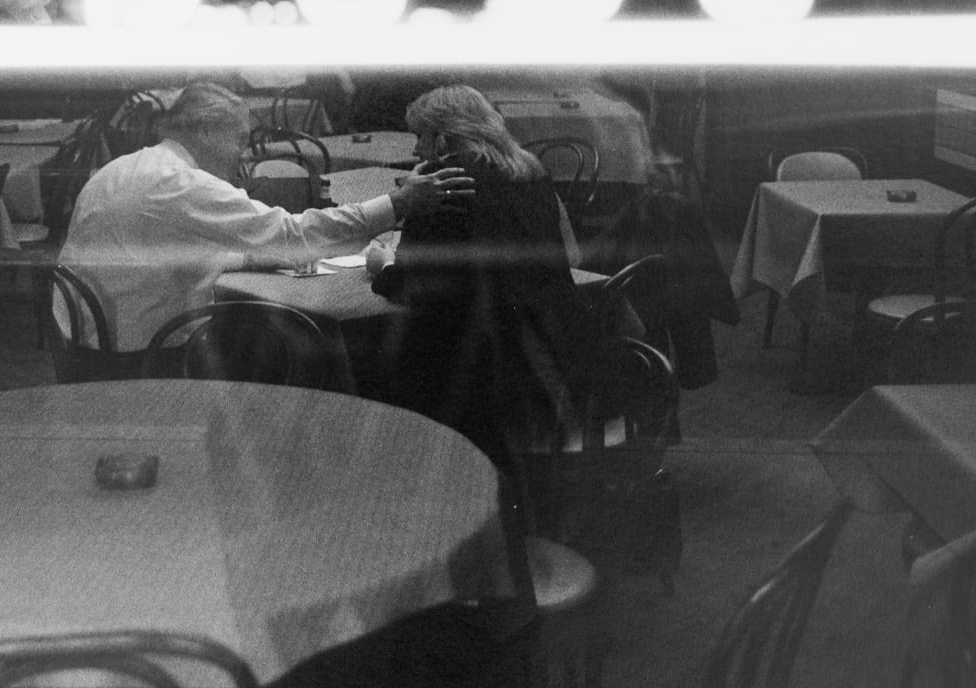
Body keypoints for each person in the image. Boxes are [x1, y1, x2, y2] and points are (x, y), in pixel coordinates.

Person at [59, 81, 474, 350]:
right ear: (205, 131)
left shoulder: (130, 167)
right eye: (239, 139)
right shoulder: (180, 184)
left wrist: (261, 254)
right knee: (280, 345)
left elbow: (173, 250)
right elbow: (292, 235)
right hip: (134, 345)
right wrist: (398, 204)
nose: (243, 153)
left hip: (80, 332)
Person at [372, 84, 587, 493]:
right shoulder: (530, 170)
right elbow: (569, 256)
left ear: (443, 138)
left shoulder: (444, 183)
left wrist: (383, 264)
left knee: (378, 367)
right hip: (552, 347)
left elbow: (418, 287)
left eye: (420, 137)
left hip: (481, 363)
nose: (416, 150)